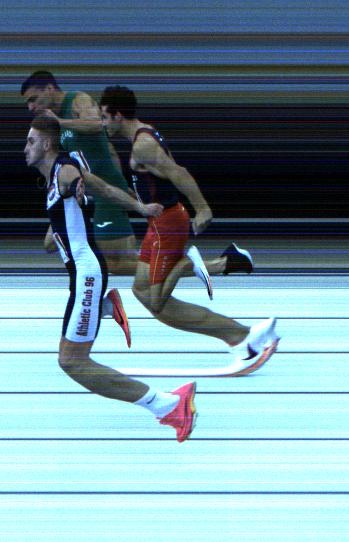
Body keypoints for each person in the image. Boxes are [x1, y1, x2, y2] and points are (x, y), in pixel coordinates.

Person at [25, 114, 196, 442]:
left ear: (46, 144)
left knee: (73, 362)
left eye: (31, 141)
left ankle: (170, 405)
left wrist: (77, 187)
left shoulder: (64, 170)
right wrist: (138, 208)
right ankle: (105, 305)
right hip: (83, 277)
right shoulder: (53, 181)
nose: (25, 148)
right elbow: (98, 192)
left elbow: (81, 181)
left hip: (88, 276)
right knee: (70, 358)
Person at [99, 86, 279, 374]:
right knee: (141, 291)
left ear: (118, 115)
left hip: (169, 224)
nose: (102, 123)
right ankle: (237, 322)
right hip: (158, 224)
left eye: (104, 117)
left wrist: (203, 208)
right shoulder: (143, 135)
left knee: (157, 302)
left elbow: (178, 172)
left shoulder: (142, 144)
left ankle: (191, 266)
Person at [21, 71, 138, 275]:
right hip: (83, 193)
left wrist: (119, 184)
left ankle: (178, 266)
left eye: (33, 99)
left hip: (104, 193)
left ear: (49, 89)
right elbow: (109, 150)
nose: (31, 107)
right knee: (51, 243)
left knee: (115, 263)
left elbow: (97, 124)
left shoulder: (77, 99)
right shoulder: (54, 123)